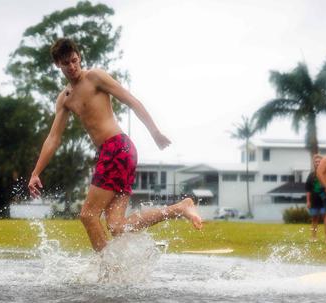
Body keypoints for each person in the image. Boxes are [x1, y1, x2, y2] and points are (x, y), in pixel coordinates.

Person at [28, 38, 202, 252]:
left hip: (117, 148)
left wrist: (154, 132)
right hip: (115, 153)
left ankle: (109, 271)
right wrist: (36, 172)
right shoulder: (65, 99)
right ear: (58, 65)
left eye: (74, 60)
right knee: (117, 226)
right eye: (66, 63)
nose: (72, 67)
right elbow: (54, 138)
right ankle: (180, 207)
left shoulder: (95, 77)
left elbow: (130, 100)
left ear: (79, 56)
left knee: (88, 216)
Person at [305, 154, 325, 242]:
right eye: (316, 162)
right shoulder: (311, 175)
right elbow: (308, 190)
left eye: (319, 161)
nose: (317, 163)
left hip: (325, 200)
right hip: (314, 200)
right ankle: (314, 236)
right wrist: (308, 201)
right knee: (314, 219)